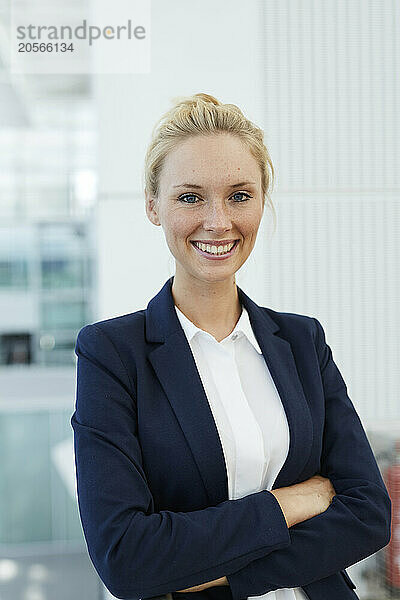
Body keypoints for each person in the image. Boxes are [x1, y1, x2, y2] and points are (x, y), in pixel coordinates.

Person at [71, 93, 391, 600]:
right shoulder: (112, 354)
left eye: (240, 195)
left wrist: (214, 575)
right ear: (153, 205)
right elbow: (127, 557)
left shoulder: (303, 341)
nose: (218, 222)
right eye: (191, 197)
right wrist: (291, 504)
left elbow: (369, 516)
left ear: (263, 201)